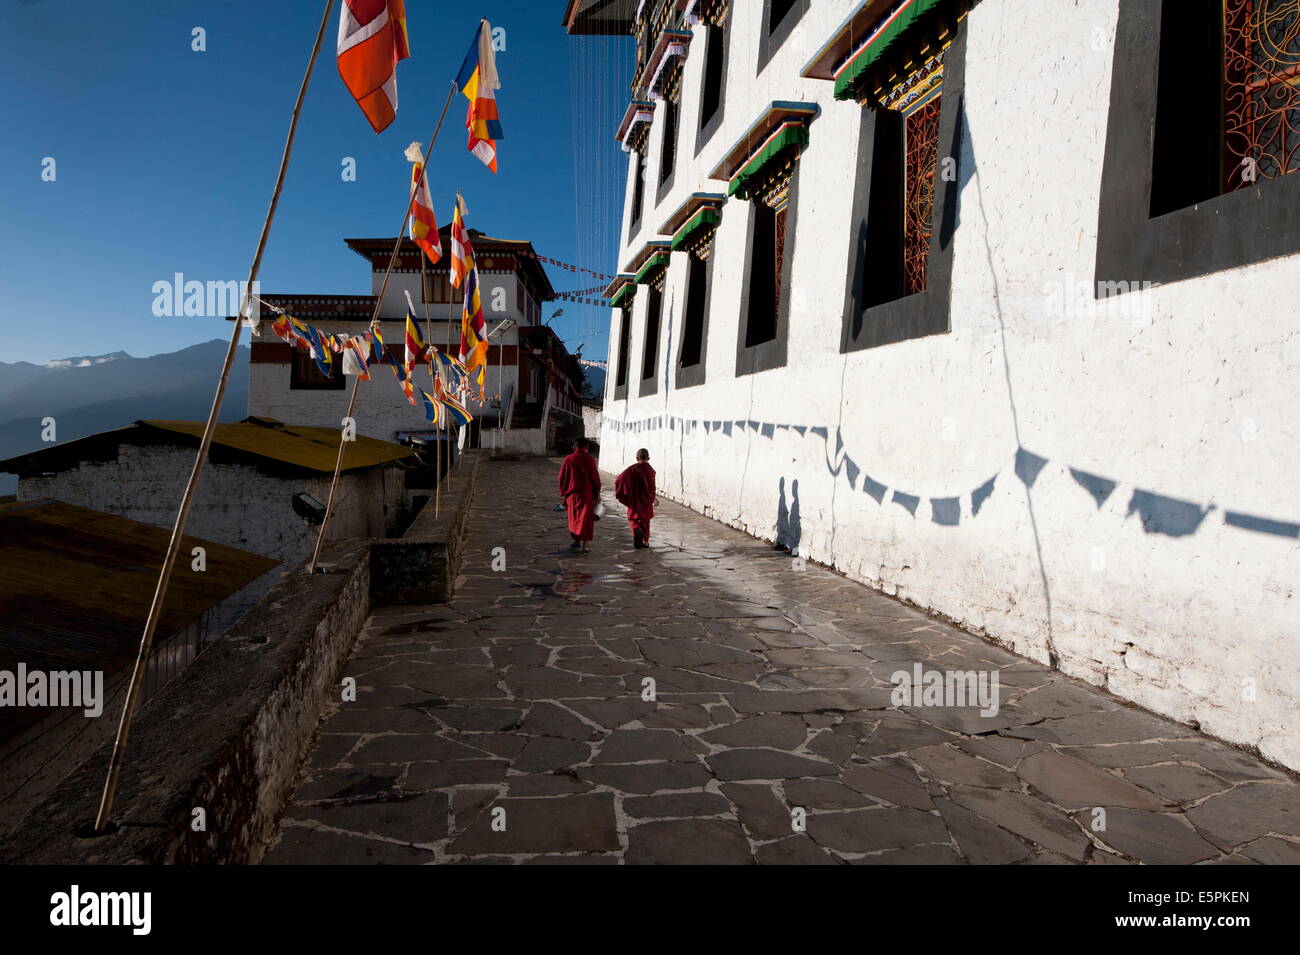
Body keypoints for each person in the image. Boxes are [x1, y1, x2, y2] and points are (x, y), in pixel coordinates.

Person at [558, 437, 601, 552]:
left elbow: (562, 477)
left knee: (574, 519)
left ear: (574, 447)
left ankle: (576, 540)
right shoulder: (590, 459)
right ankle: (585, 545)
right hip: (587, 495)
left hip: (572, 495)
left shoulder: (568, 459)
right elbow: (595, 477)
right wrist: (597, 491)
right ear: (586, 448)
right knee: (586, 520)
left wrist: (563, 491)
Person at [615, 448, 656, 549]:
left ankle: (637, 529)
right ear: (648, 458)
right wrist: (653, 497)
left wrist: (624, 492)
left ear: (637, 458)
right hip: (646, 499)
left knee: (633, 519)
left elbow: (620, 478)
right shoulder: (650, 470)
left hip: (634, 499)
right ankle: (645, 542)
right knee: (646, 522)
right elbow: (652, 486)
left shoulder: (632, 468)